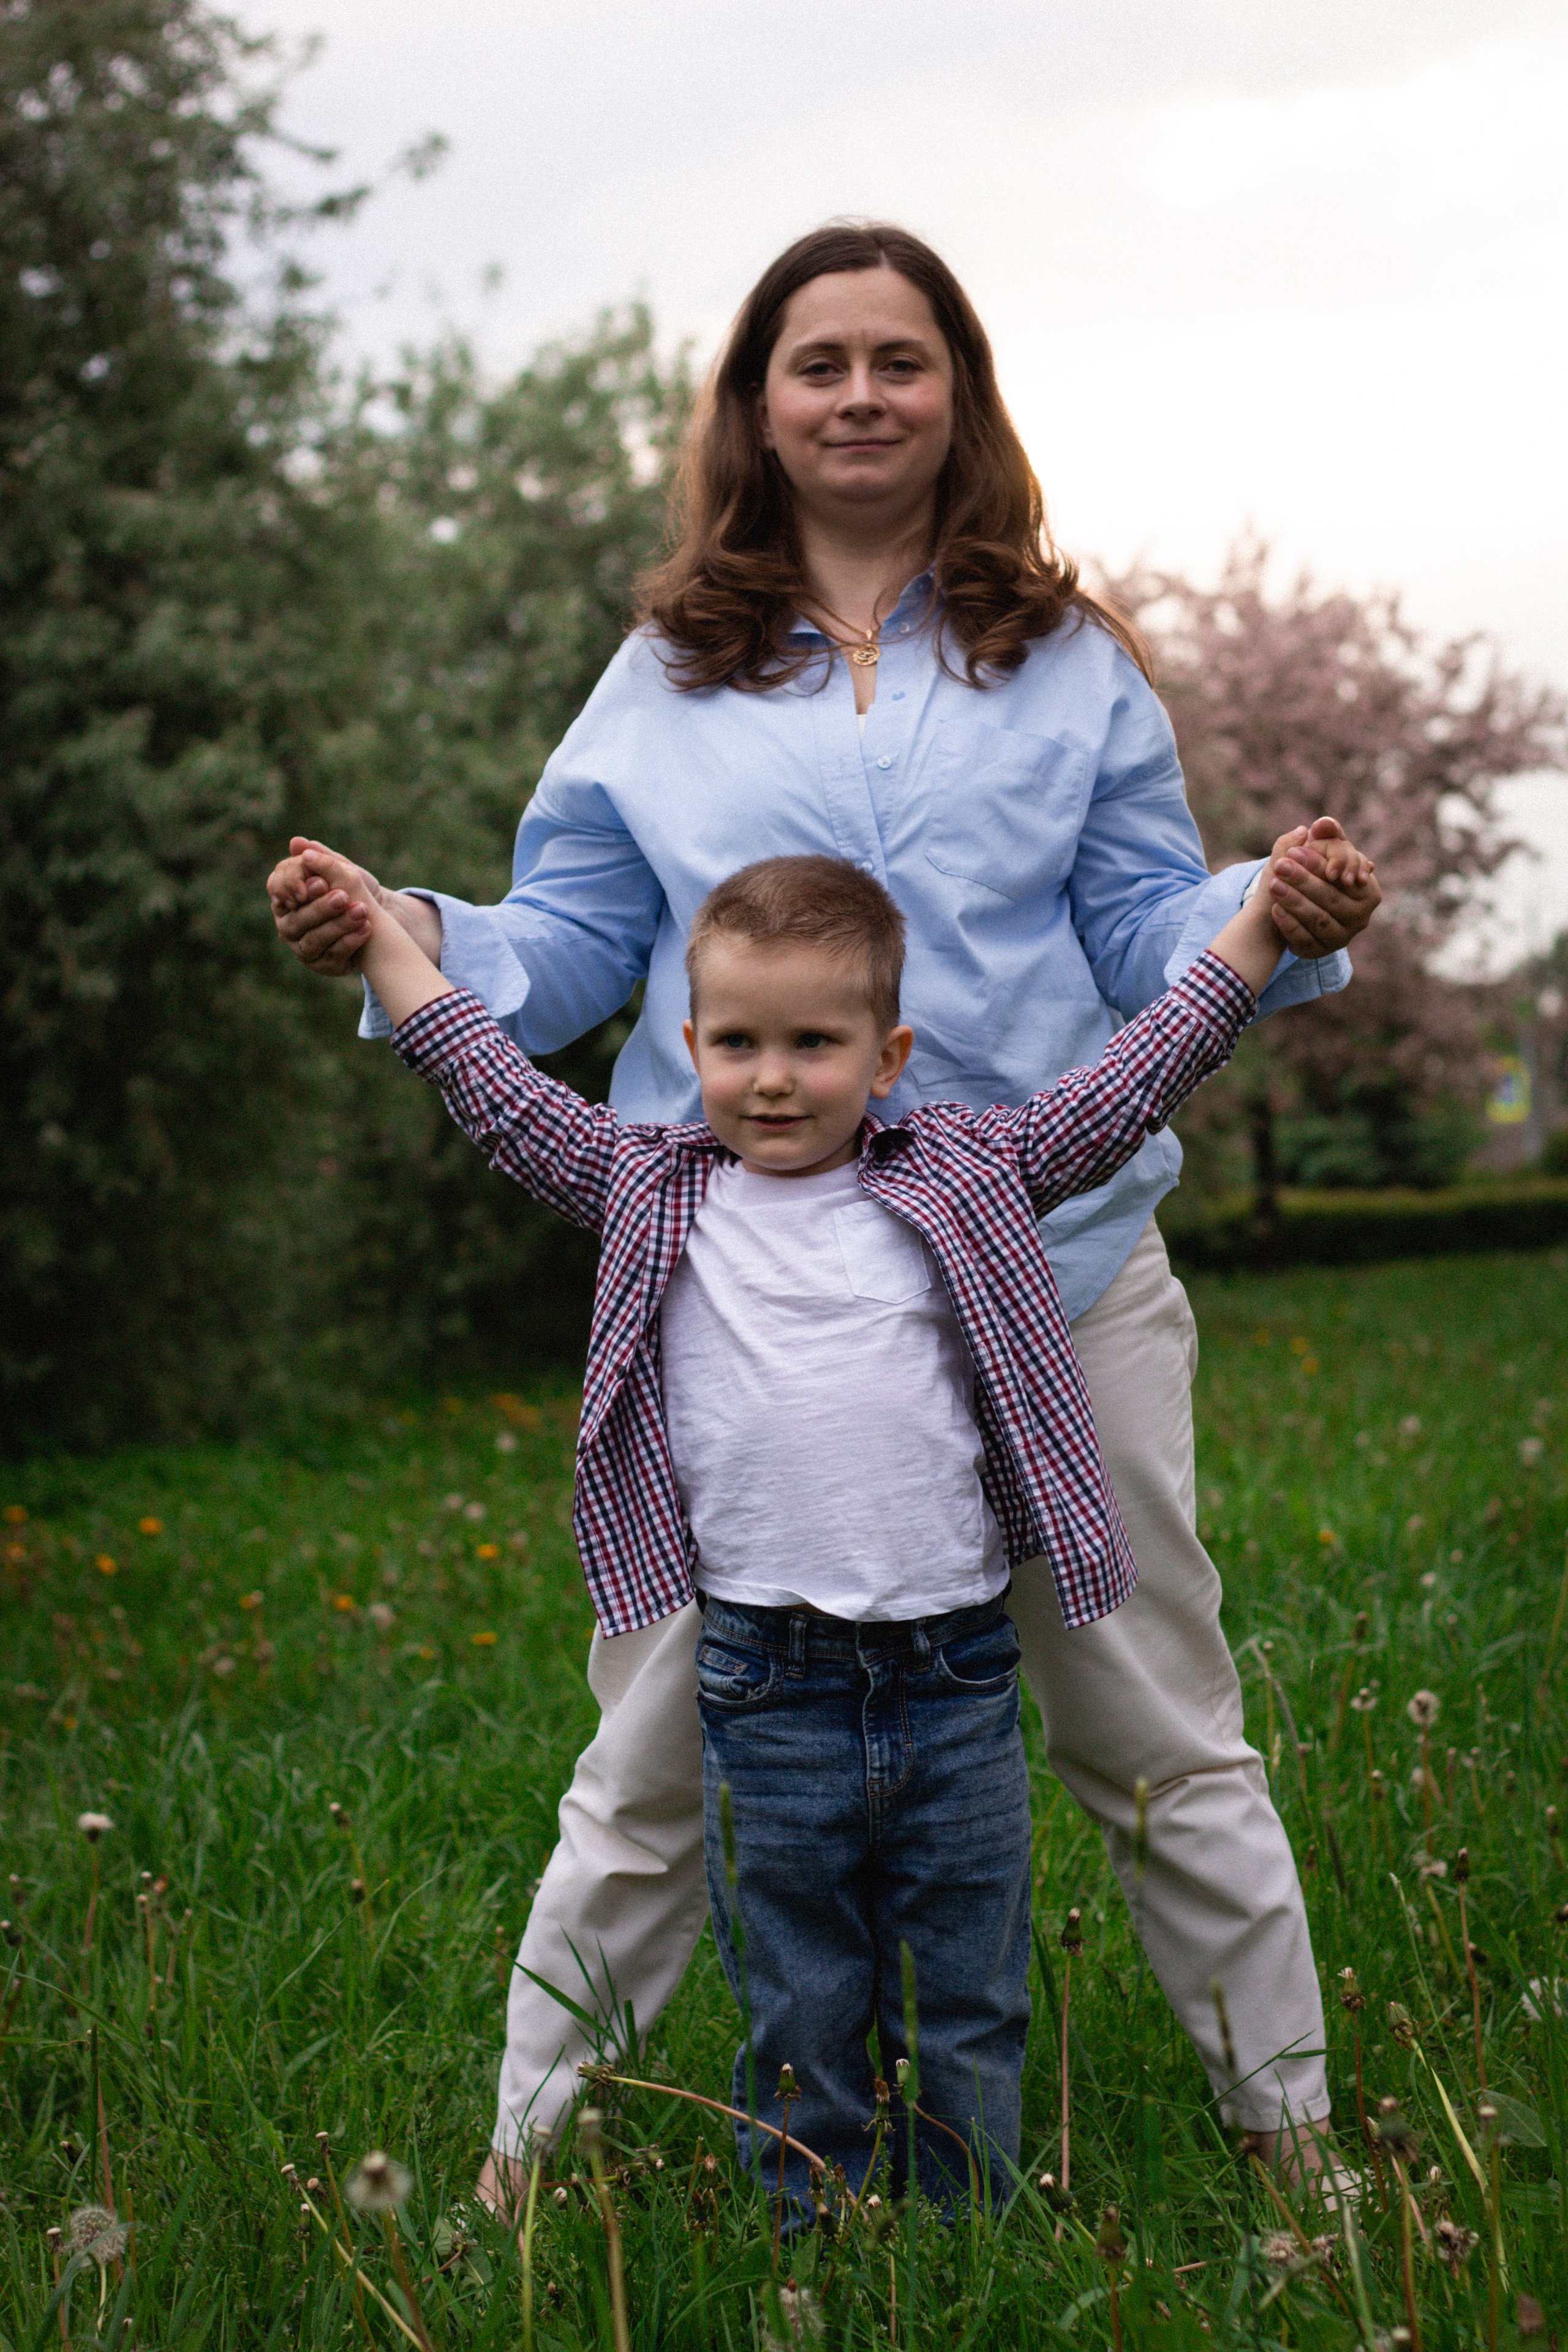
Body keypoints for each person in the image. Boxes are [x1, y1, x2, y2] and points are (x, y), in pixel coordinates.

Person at [267, 220, 1383, 2196]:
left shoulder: (1069, 662)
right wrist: (407, 935)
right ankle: (522, 2173)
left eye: (899, 360)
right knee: (654, 1767)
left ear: (958, 393)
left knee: (1154, 1729)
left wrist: (1258, 917)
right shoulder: (662, 678)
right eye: (819, 364)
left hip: (1057, 1270)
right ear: (756, 410)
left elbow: (1141, 930)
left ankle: (1295, 2148)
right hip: (741, 1306)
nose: (860, 395)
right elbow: (580, 937)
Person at [330, 829, 1363, 2204]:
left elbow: (1134, 1080)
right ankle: (811, 2238)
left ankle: (963, 2232)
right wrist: (381, 940)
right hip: (765, 1680)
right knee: (798, 1994)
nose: (770, 1079)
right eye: (738, 1044)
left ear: (887, 1058)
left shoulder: (968, 1171)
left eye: (814, 1044)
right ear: (692, 1046)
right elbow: (497, 1096)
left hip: (953, 1674)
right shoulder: (652, 1188)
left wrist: (1256, 934)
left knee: (969, 1989)